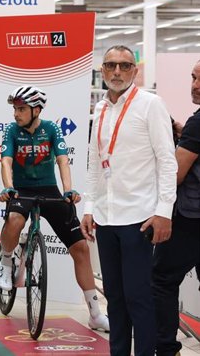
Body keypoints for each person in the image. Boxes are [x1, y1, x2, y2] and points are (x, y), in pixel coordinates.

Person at [81, 45, 177, 356]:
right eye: (111, 66)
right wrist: (88, 207)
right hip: (107, 219)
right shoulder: (101, 109)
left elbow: (167, 160)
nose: (117, 72)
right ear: (103, 71)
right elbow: (95, 162)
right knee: (116, 298)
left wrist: (164, 212)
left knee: (139, 298)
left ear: (135, 71)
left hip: (139, 218)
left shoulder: (151, 105)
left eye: (124, 66)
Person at [0, 85, 109, 331]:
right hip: (21, 190)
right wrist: (8, 186)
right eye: (15, 108)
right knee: (14, 220)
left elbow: (62, 161)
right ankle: (6, 262)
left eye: (21, 109)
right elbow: (5, 161)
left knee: (80, 248)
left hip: (49, 189)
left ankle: (95, 313)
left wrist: (68, 190)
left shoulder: (51, 129)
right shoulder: (12, 130)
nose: (16, 113)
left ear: (36, 109)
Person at [153, 60, 200, 356]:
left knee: (161, 279)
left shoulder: (198, 123)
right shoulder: (194, 126)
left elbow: (177, 175)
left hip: (190, 219)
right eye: (193, 77)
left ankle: (166, 349)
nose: (194, 85)